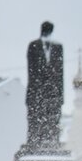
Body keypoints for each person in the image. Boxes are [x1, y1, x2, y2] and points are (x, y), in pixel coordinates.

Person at [25, 21, 64, 149]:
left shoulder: (58, 47)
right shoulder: (34, 46)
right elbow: (31, 70)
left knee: (52, 121)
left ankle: (52, 143)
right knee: (35, 120)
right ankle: (34, 143)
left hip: (53, 93)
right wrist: (34, 92)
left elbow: (60, 72)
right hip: (36, 92)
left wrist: (60, 95)